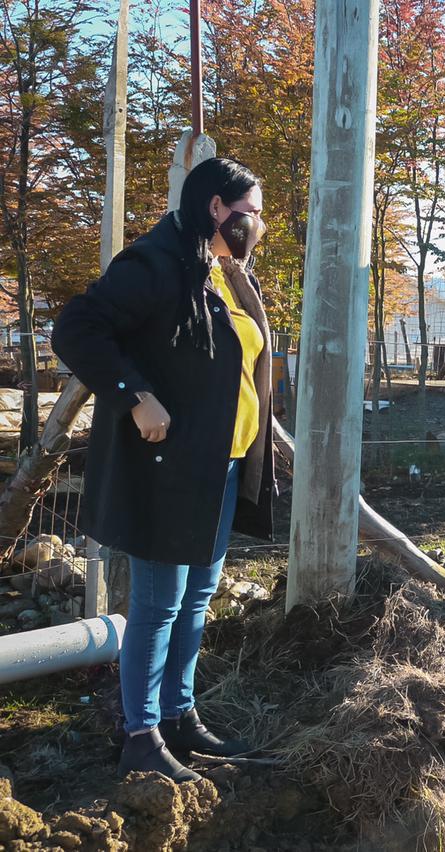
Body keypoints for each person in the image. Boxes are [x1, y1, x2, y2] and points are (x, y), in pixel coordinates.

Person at [52, 157, 274, 782]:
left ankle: (178, 714)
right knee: (159, 603)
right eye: (250, 213)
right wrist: (134, 394)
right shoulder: (153, 264)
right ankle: (140, 735)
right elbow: (75, 328)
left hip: (222, 464)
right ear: (215, 208)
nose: (256, 224)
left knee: (198, 596)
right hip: (170, 466)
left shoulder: (221, 271)